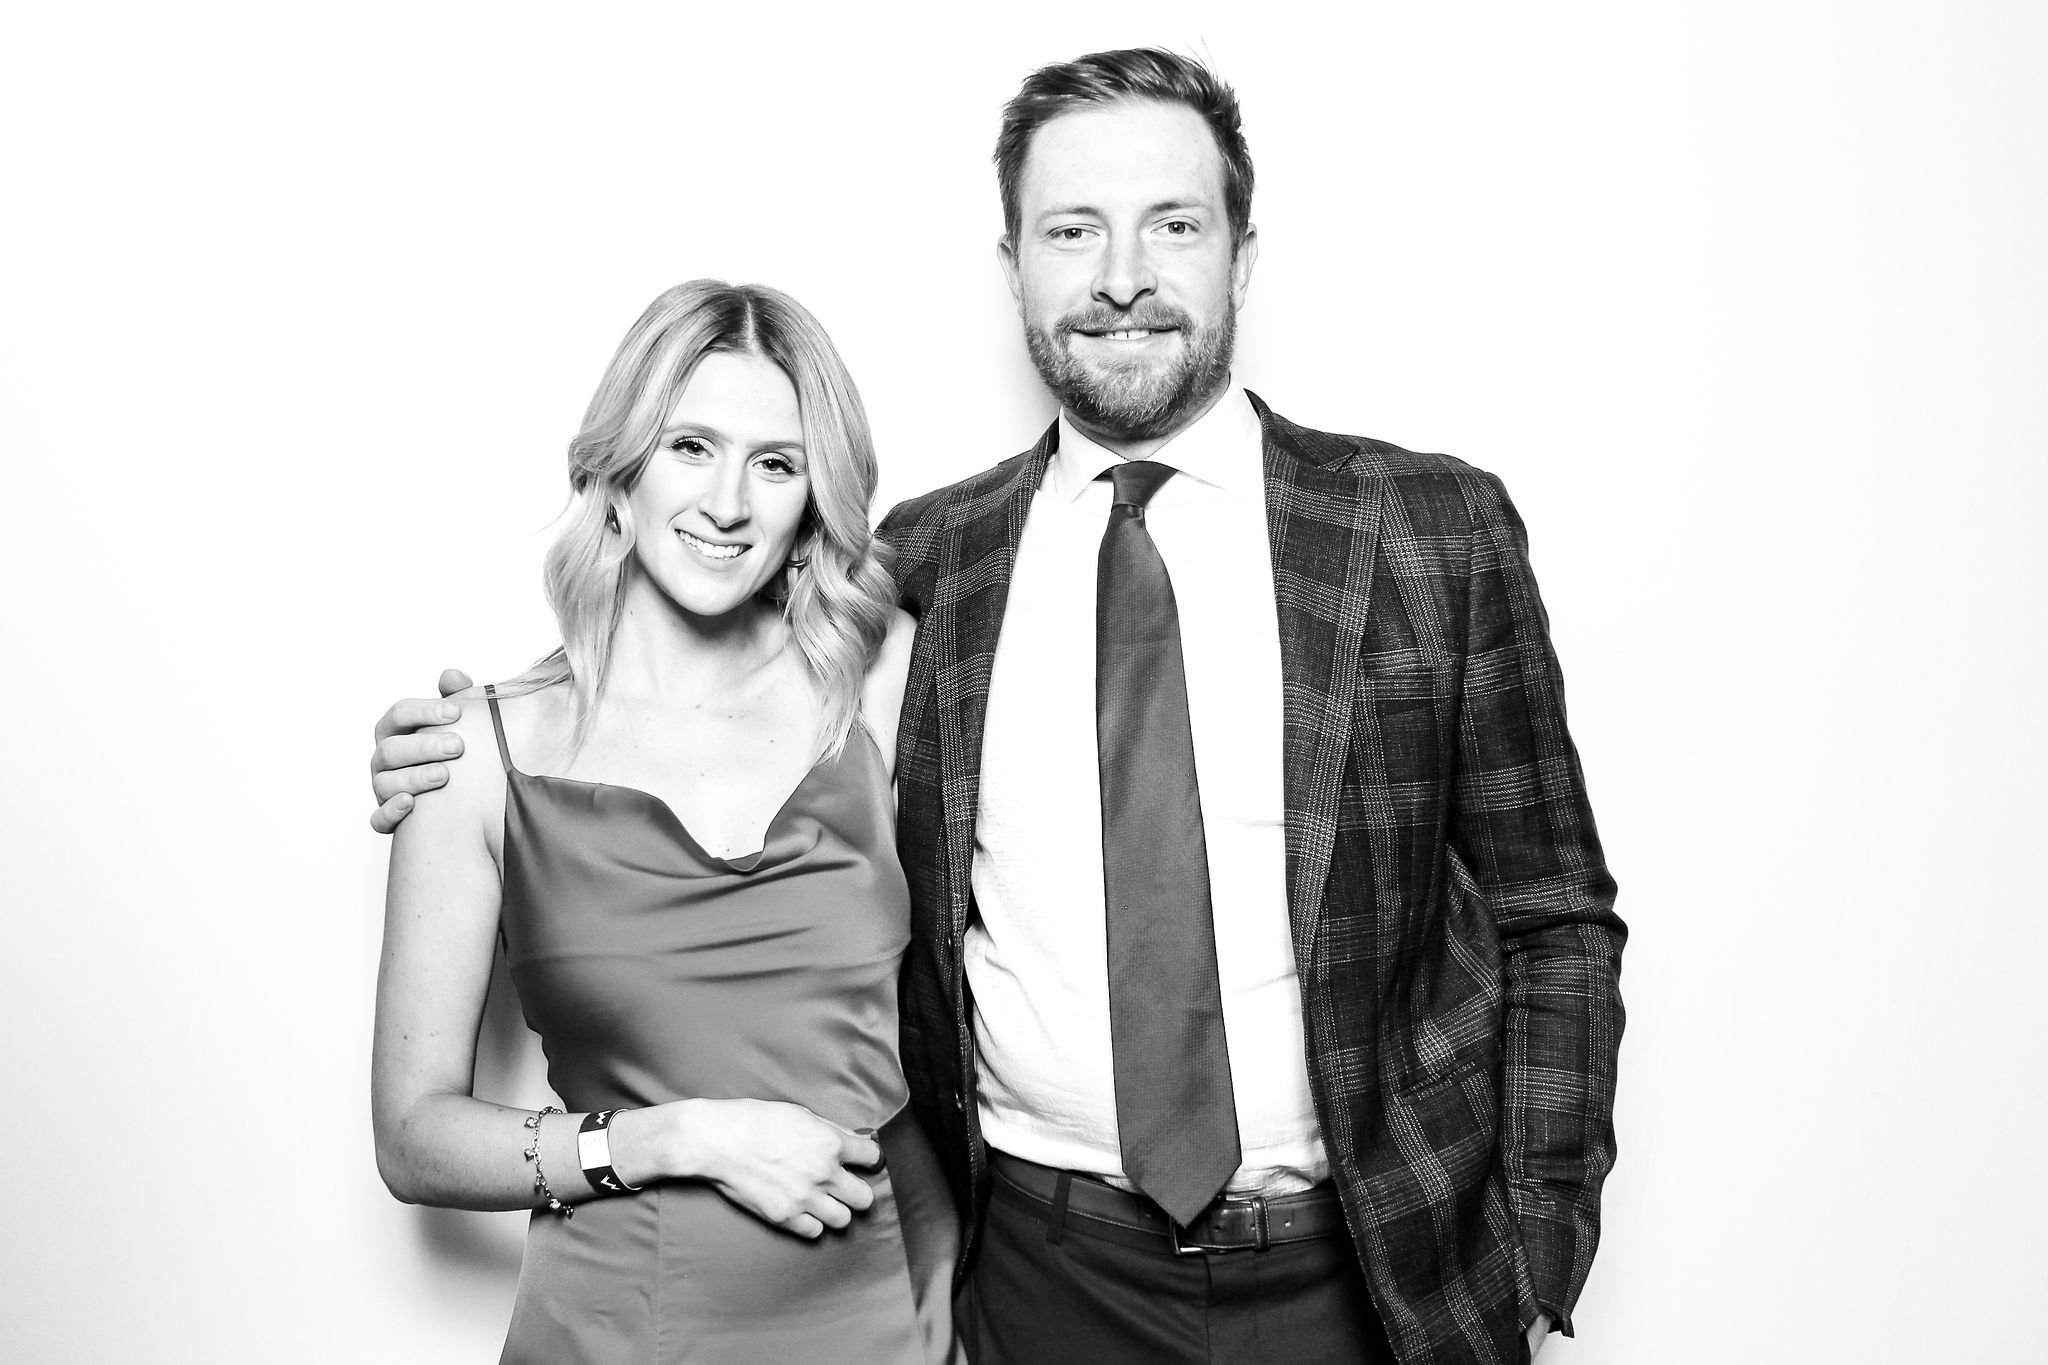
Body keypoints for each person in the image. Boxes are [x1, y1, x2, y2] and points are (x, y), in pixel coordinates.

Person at [372, 49, 1623, 1365]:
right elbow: (691, 625)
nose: (1122, 275)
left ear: (1243, 255)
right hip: (1040, 1278)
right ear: (1014, 263)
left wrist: (1536, 1261)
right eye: (1073, 230)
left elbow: (1554, 919)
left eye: (1173, 226)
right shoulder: (936, 566)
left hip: (1364, 1275)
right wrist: (467, 738)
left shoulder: (1428, 531)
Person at [371, 279, 958, 1364]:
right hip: (614, 1330)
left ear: (809, 500)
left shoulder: (877, 686)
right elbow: (413, 1141)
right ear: (618, 471)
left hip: (896, 1312)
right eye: (691, 446)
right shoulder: (474, 764)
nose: (728, 502)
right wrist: (681, 1137)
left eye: (774, 464)